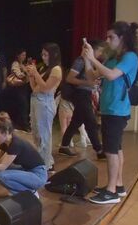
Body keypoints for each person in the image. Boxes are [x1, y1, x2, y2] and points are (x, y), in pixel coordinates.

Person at [83, 21, 138, 204]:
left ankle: (111, 192)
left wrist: (93, 59)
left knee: (110, 151)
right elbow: (92, 77)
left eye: (111, 37)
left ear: (122, 38)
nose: (107, 40)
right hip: (109, 109)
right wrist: (87, 58)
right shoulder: (113, 57)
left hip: (117, 110)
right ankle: (118, 186)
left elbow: (111, 75)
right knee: (116, 148)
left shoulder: (130, 56)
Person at [58, 40, 106, 159]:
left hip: (85, 94)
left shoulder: (89, 62)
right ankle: (99, 150)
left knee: (76, 121)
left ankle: (64, 146)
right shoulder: (80, 61)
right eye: (100, 50)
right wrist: (88, 83)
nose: (100, 54)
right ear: (93, 49)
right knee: (90, 121)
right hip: (80, 94)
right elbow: (70, 78)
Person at [25, 43, 62, 171]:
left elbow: (46, 89)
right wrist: (31, 76)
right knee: (36, 133)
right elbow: (34, 88)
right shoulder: (45, 68)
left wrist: (35, 73)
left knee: (44, 134)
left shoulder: (56, 69)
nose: (44, 57)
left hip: (45, 103)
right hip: (36, 101)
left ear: (54, 55)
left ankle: (45, 165)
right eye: (42, 54)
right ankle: (45, 161)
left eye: (46, 55)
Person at [8, 49, 31, 132]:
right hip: (18, 87)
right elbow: (19, 75)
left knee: (24, 106)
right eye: (22, 55)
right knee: (22, 106)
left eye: (25, 55)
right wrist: (27, 72)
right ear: (18, 55)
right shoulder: (15, 63)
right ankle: (23, 125)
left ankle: (22, 124)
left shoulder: (23, 64)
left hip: (23, 87)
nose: (24, 57)